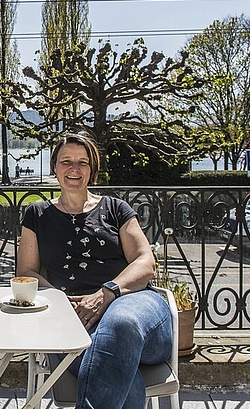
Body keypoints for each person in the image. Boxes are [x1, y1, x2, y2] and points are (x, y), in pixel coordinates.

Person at [17, 133, 173, 409]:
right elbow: (26, 272)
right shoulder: (37, 214)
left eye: (82, 163)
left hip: (133, 305)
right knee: (121, 373)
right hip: (73, 317)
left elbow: (146, 262)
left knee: (120, 324)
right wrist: (60, 300)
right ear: (54, 166)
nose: (74, 169)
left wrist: (107, 293)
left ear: (93, 169)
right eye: (67, 162)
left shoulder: (115, 209)